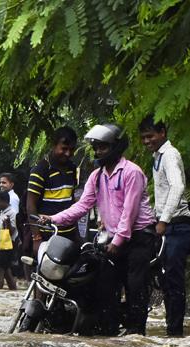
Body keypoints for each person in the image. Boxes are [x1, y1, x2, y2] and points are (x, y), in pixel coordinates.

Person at [41, 123, 157, 335]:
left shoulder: (132, 172)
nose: (98, 152)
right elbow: (82, 206)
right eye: (96, 147)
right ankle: (108, 332)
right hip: (113, 239)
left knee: (135, 286)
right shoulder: (97, 176)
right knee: (105, 286)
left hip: (139, 237)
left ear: (115, 146)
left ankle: (136, 334)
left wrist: (117, 241)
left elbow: (129, 212)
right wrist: (53, 219)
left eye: (102, 147)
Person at [139, 116, 190, 337]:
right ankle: (172, 330)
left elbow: (178, 186)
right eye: (143, 137)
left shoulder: (170, 155)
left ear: (163, 132)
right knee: (165, 278)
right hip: (167, 225)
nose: (146, 141)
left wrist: (164, 220)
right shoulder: (157, 156)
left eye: (150, 136)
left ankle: (175, 331)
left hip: (178, 224)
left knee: (173, 278)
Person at [27, 127, 80, 259]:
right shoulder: (41, 170)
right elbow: (30, 205)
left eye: (71, 150)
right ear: (54, 145)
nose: (68, 153)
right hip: (48, 235)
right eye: (64, 148)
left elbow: (71, 200)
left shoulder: (72, 168)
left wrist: (77, 233)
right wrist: (36, 238)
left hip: (69, 234)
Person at [0, 191, 18, 290]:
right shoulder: (2, 212)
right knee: (6, 270)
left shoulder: (12, 213)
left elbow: (12, 231)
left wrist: (7, 223)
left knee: (0, 270)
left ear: (5, 202)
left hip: (6, 245)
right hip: (1, 244)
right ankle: (13, 290)